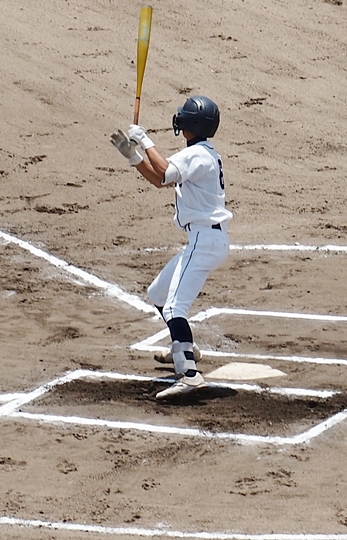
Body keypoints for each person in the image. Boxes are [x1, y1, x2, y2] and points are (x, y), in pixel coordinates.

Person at [110, 95, 232, 399]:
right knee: (158, 294)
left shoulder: (197, 155)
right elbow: (160, 180)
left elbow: (164, 171)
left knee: (175, 307)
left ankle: (189, 374)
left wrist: (144, 140)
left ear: (191, 124)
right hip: (205, 239)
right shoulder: (200, 154)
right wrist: (134, 156)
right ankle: (185, 346)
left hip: (205, 240)